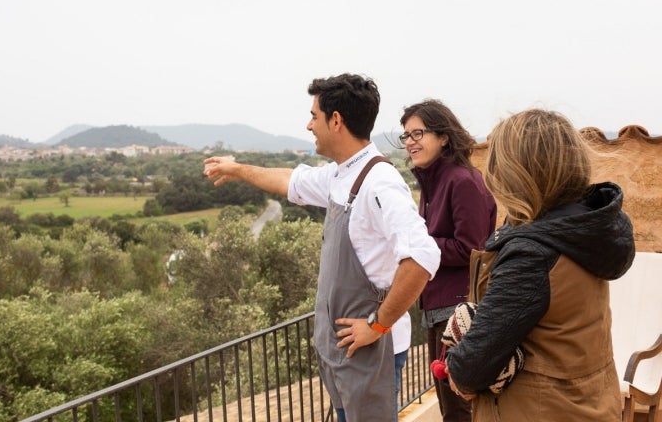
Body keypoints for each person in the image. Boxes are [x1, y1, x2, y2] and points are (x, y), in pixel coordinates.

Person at [204, 73, 441, 422]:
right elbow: (290, 180)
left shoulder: (380, 183)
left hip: (372, 351)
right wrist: (238, 170)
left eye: (314, 116)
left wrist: (377, 325)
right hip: (343, 352)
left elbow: (422, 257)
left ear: (336, 120)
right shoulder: (340, 174)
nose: (309, 125)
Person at [446, 109, 635, 421]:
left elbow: (471, 367)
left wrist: (458, 365)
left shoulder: (532, 253)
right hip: (587, 406)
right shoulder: (584, 231)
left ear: (517, 173)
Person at [398, 99, 497, 422]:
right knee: (450, 406)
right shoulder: (435, 181)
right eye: (406, 135)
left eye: (418, 133)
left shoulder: (462, 181)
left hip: (458, 310)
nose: (410, 141)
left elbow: (472, 248)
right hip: (437, 307)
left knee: (459, 408)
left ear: (443, 137)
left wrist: (421, 246)